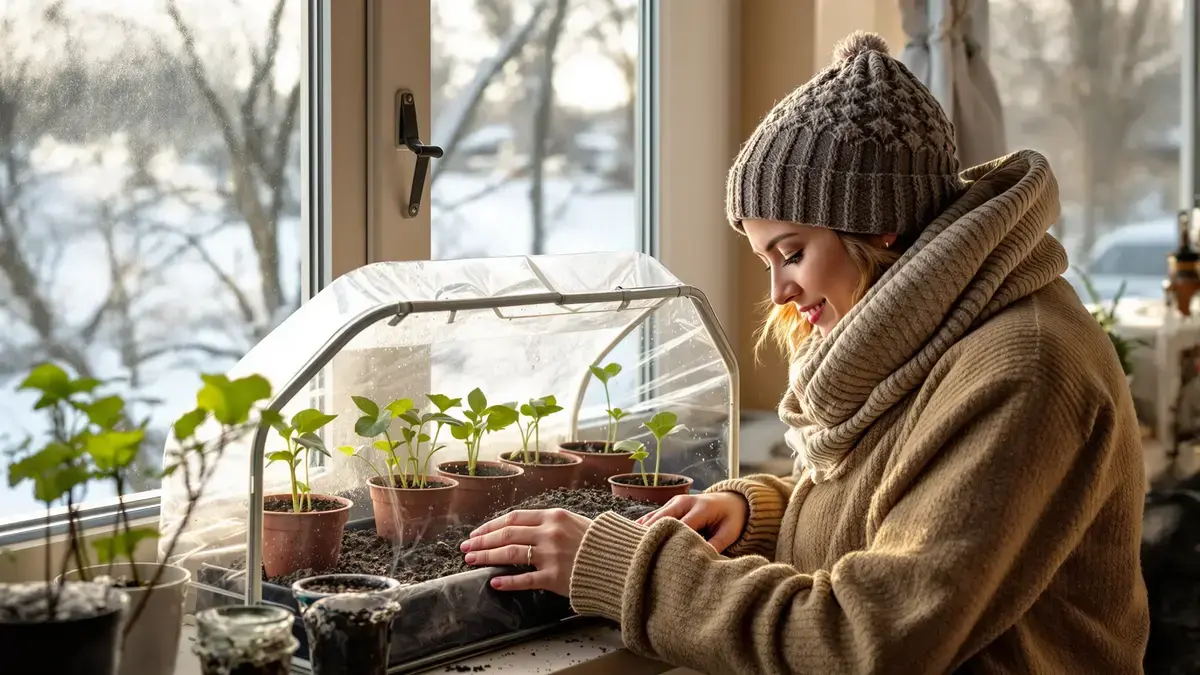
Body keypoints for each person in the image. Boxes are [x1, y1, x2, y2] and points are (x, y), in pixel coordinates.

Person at [460, 31, 1150, 673]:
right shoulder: (930, 330)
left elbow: (867, 640)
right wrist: (764, 513)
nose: (780, 291)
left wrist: (624, 565)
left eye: (791, 252)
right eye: (765, 257)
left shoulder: (1021, 368)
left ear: (879, 225)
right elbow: (904, 502)